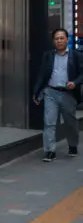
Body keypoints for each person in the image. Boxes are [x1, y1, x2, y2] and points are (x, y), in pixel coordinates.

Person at [33, 28, 83, 162]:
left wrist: (75, 83)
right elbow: (42, 75)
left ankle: (72, 145)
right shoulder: (48, 55)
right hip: (51, 92)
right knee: (49, 122)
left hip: (68, 94)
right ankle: (50, 151)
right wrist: (36, 92)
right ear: (53, 41)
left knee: (70, 123)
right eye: (56, 38)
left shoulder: (76, 55)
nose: (59, 40)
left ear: (67, 40)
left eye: (62, 38)